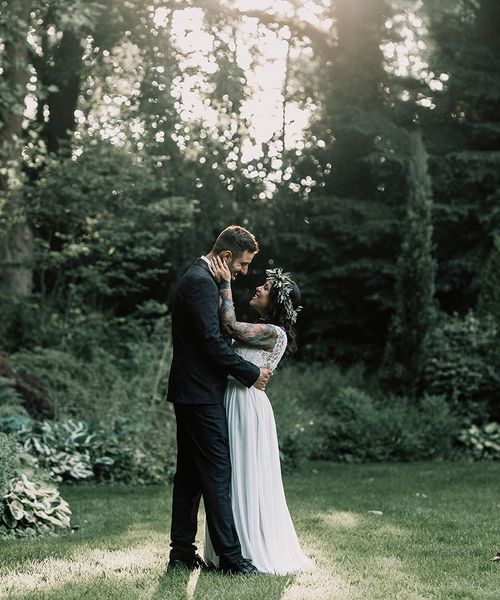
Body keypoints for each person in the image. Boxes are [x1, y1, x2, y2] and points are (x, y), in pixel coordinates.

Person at [166, 226, 272, 575]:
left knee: (192, 475)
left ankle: (181, 553)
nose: (243, 272)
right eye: (242, 264)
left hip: (192, 391)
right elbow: (212, 344)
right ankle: (230, 559)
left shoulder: (202, 278)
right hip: (198, 393)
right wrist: (250, 373)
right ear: (226, 257)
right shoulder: (199, 282)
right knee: (216, 472)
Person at [204, 255, 314, 575]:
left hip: (246, 406)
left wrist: (225, 283)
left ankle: (246, 549)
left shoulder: (274, 333)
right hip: (233, 400)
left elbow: (231, 326)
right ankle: (228, 548)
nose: (258, 288)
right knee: (231, 475)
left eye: (265, 288)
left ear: (276, 303)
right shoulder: (267, 329)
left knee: (243, 474)